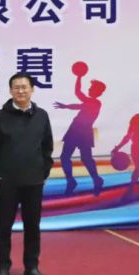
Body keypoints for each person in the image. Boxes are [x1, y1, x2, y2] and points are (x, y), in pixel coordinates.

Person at [0, 73, 53, 275]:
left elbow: (47, 148)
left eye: (24, 87)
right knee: (4, 226)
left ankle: (31, 267)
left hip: (33, 181)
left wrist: (43, 172)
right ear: (10, 91)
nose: (21, 91)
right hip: (7, 181)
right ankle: (3, 267)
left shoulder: (42, 116)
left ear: (32, 89)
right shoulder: (0, 117)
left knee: (33, 225)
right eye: (16, 87)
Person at [54, 68, 106, 196]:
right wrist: (79, 77)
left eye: (91, 88)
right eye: (90, 88)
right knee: (65, 157)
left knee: (85, 158)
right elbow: (78, 94)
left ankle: (96, 179)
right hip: (75, 130)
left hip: (83, 132)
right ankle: (71, 181)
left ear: (97, 92)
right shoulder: (91, 102)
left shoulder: (96, 103)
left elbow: (79, 102)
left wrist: (66, 106)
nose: (89, 89)